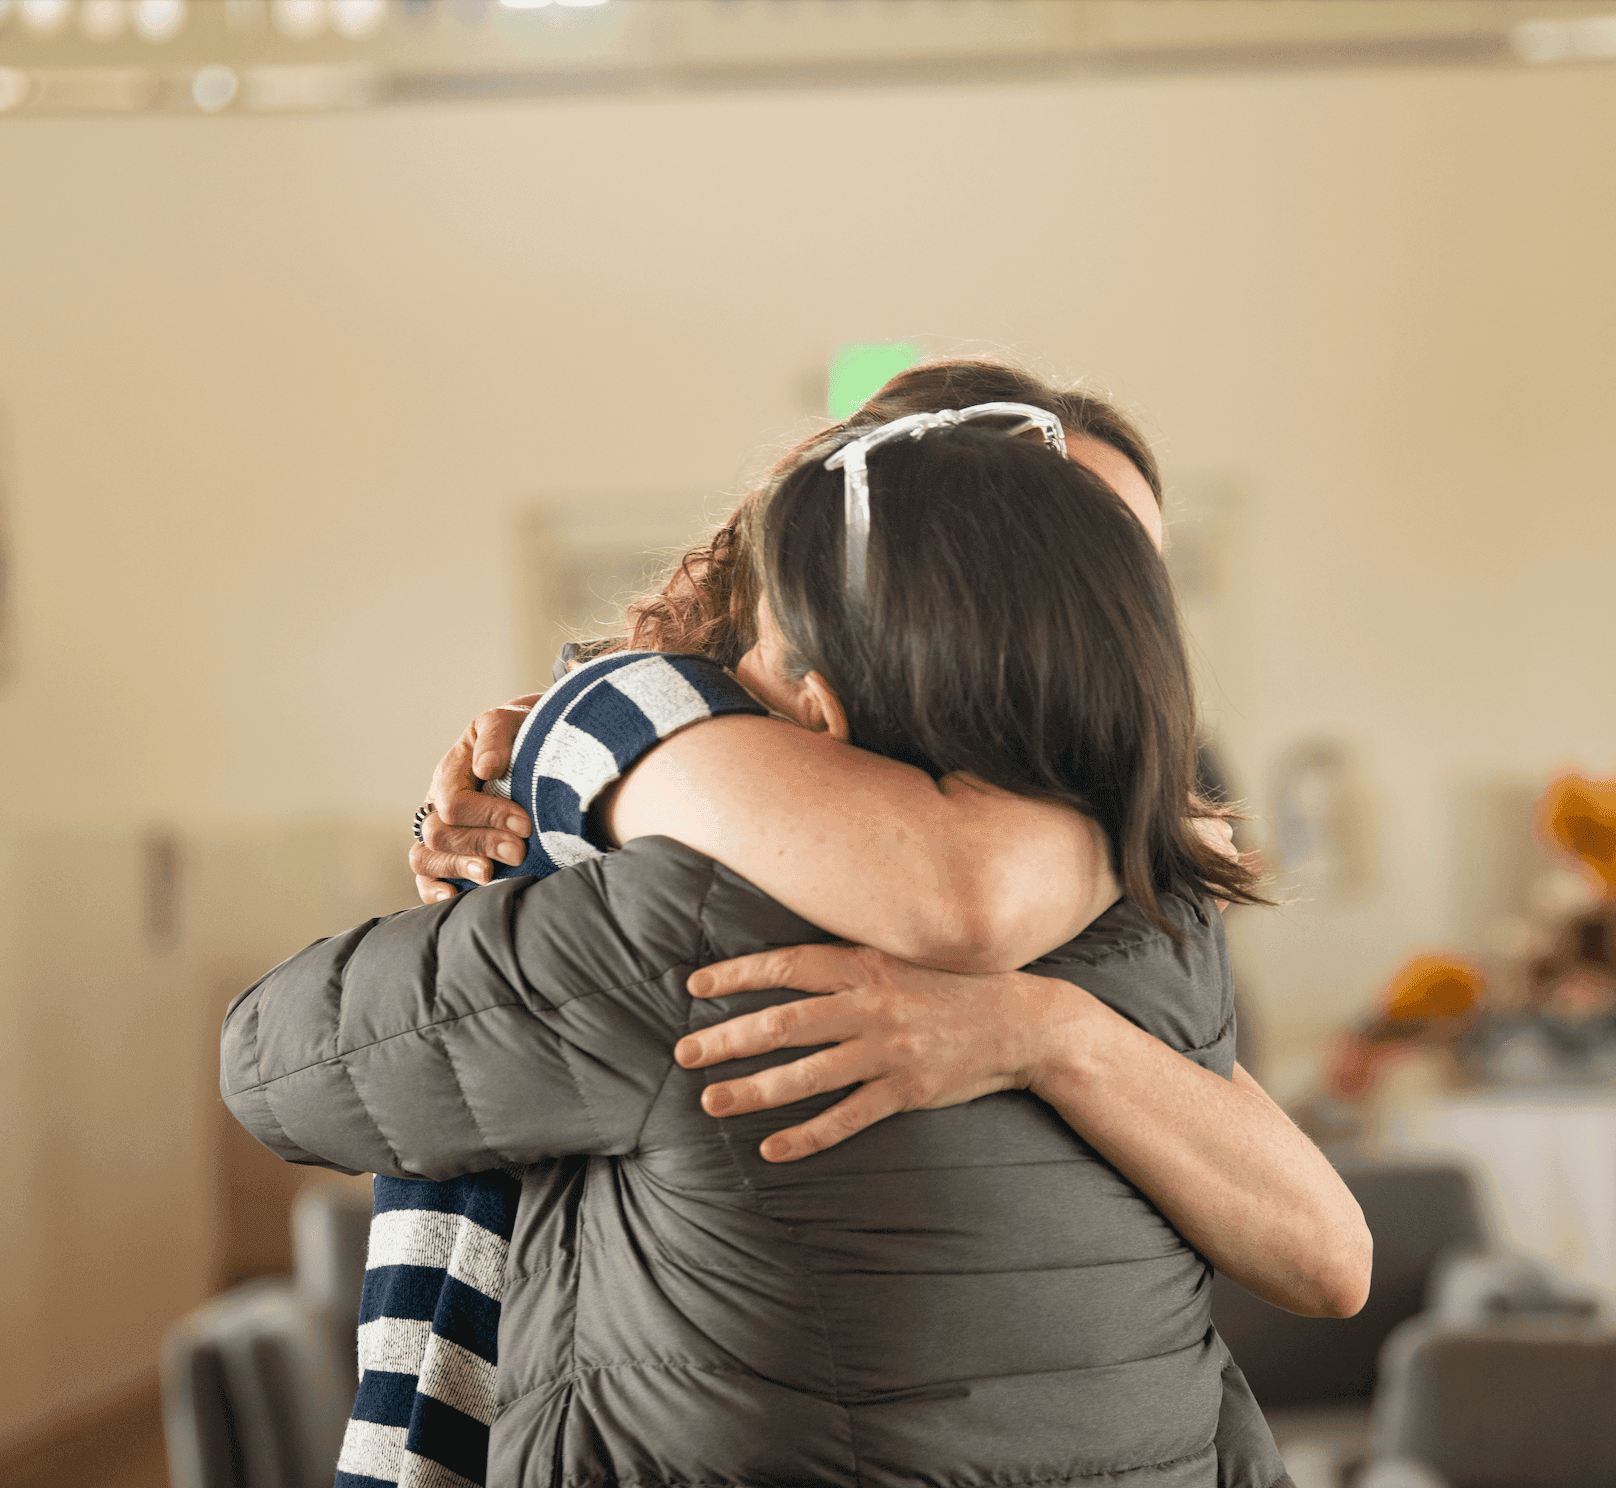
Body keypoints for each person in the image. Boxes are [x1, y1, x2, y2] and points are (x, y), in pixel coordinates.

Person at [224, 397, 1330, 1486]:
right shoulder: (1161, 910)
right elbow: (1325, 1261)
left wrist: (534, 848)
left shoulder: (682, 926)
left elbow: (277, 1066)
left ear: (819, 697)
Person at [412, 359, 1368, 1313]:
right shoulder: (659, 710)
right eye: (1049, 542)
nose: (1095, 608)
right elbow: (970, 899)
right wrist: (1156, 826)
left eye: (1126, 570)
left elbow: (1327, 1260)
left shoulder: (1065, 826)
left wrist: (1053, 1035)